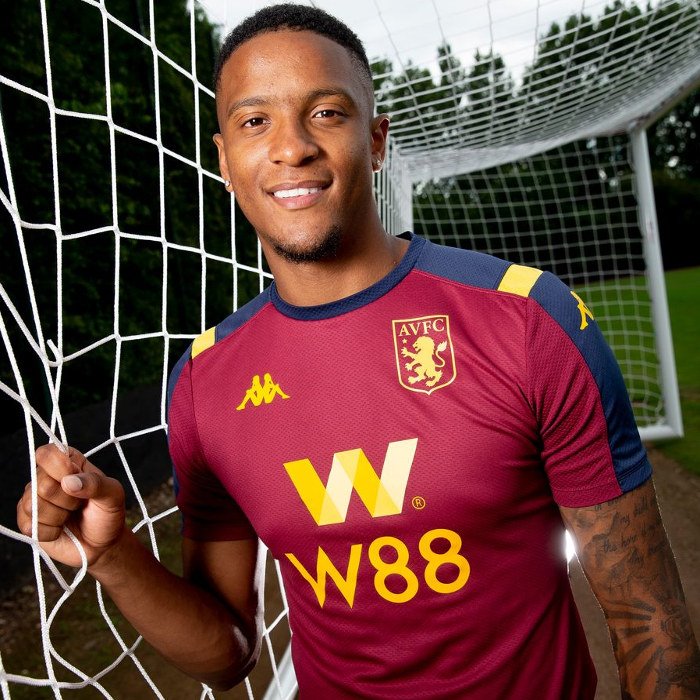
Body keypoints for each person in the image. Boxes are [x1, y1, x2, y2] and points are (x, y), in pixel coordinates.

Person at [16, 3, 700, 698]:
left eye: (326, 113)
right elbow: (227, 656)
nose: (292, 148)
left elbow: (650, 623)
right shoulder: (203, 382)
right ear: (223, 159)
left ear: (375, 141)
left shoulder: (527, 321)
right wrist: (113, 556)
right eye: (255, 122)